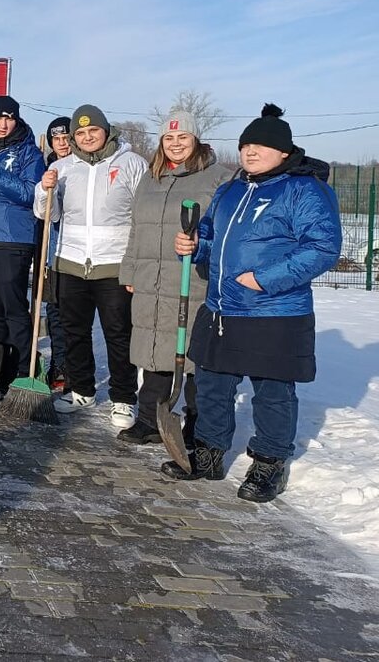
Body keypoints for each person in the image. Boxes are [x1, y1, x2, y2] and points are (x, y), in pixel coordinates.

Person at [165, 105, 340, 503]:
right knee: (212, 383)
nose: (250, 151)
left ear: (283, 151)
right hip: (221, 307)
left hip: (274, 312)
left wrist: (265, 279)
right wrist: (191, 247)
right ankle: (208, 454)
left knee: (273, 393)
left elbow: (323, 247)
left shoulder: (304, 190)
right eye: (246, 144)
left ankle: (269, 464)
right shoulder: (231, 188)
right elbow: (208, 236)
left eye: (261, 145)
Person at [118, 109, 233, 445]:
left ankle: (198, 424)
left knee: (192, 354)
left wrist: (202, 245)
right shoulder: (150, 178)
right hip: (150, 279)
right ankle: (149, 419)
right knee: (153, 349)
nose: (175, 144)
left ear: (196, 139)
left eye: (182, 137)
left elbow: (224, 234)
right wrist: (130, 269)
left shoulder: (218, 178)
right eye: (169, 138)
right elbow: (136, 228)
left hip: (193, 279)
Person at [35, 104, 146, 426]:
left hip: (113, 264)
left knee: (118, 333)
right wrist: (45, 189)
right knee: (74, 332)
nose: (86, 137)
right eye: (80, 133)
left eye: (92, 131)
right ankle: (80, 389)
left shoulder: (131, 163)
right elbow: (48, 215)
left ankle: (123, 398)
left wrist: (136, 262)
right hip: (70, 261)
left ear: (106, 131)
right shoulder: (63, 167)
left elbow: (142, 216)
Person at [0, 96, 45, 395]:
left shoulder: (30, 152)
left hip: (12, 238)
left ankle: (21, 369)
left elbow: (30, 194)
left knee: (13, 309)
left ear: (16, 119)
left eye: (8, 118)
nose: (2, 124)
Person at [42, 116, 71, 390]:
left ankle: (74, 369)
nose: (62, 144)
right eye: (57, 139)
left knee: (74, 317)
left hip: (75, 254)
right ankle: (58, 365)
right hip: (51, 255)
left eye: (66, 138)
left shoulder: (82, 168)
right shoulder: (47, 167)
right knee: (54, 314)